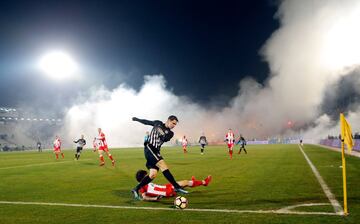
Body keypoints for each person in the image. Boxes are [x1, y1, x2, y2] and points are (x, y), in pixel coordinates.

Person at [131, 115, 188, 200]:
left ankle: (136, 189)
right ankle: (176, 186)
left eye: (175, 124)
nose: (173, 126)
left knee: (152, 174)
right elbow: (147, 122)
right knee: (163, 165)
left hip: (156, 151)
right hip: (150, 148)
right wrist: (137, 119)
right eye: (173, 123)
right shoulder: (157, 123)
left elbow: (164, 138)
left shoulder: (170, 133)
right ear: (168, 120)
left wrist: (160, 131)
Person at [135, 169, 212, 201]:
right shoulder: (142, 186)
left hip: (167, 187)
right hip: (167, 191)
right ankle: (204, 182)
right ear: (143, 178)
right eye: (146, 175)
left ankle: (194, 182)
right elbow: (144, 197)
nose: (148, 176)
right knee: (186, 182)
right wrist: (155, 198)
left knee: (185, 183)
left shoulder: (144, 184)